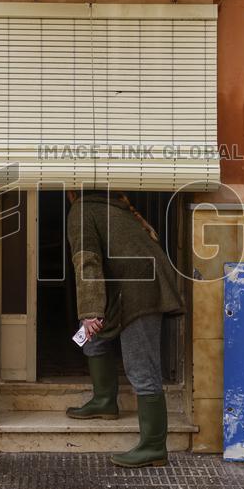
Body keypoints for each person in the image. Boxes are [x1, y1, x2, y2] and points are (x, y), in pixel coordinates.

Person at [65, 189, 184, 468]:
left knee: (141, 367)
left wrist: (91, 311)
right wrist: (92, 314)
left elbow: (87, 262)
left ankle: (154, 446)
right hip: (129, 286)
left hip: (140, 291)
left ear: (71, 191)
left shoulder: (81, 211)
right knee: (92, 339)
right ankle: (105, 400)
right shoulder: (109, 206)